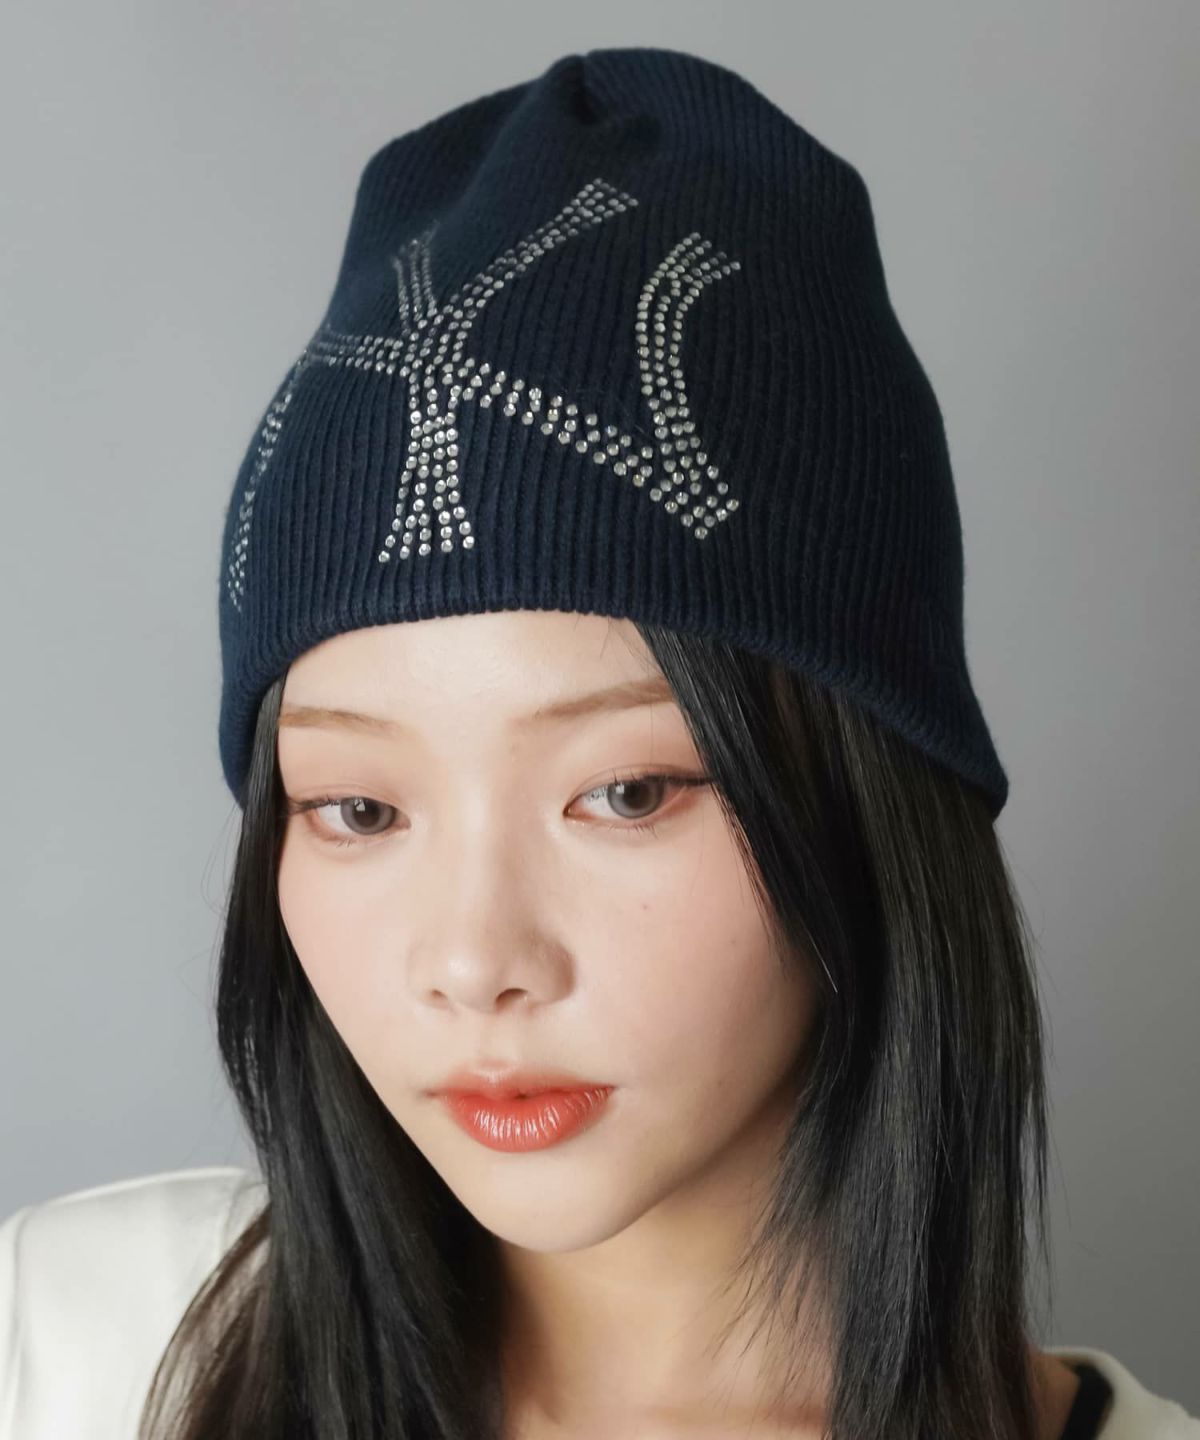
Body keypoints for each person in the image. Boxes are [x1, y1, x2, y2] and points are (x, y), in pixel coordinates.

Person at [1, 44, 1196, 1440]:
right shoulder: (70, 1349)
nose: (473, 963)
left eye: (625, 792)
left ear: (865, 796)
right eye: (359, 810)